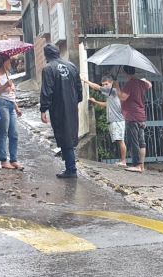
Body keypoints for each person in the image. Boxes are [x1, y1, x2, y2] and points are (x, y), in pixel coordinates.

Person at [40, 43, 83, 179]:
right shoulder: (72, 66)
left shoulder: (48, 69)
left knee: (64, 137)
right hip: (71, 106)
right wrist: (77, 102)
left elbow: (47, 91)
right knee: (69, 135)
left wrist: (43, 109)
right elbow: (79, 87)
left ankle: (71, 169)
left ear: (46, 55)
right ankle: (69, 166)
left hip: (58, 107)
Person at [84, 75, 127, 166]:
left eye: (106, 84)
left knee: (120, 141)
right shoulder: (111, 93)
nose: (104, 86)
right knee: (119, 141)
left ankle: (123, 161)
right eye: (103, 85)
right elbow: (107, 104)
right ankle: (122, 161)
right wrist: (95, 102)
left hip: (117, 120)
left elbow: (97, 87)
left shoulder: (113, 91)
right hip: (115, 120)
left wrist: (85, 80)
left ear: (111, 83)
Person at [117, 66, 151, 173]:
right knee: (142, 142)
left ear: (125, 73)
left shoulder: (130, 84)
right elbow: (149, 85)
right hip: (141, 116)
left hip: (132, 116)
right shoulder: (141, 83)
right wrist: (143, 80)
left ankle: (137, 165)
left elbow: (123, 97)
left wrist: (117, 86)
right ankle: (142, 166)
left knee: (134, 142)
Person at [0, 54, 23, 170]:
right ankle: (3, 160)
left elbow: (11, 94)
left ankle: (14, 159)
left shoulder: (8, 74)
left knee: (14, 134)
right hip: (1, 104)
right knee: (3, 133)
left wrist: (16, 107)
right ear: (3, 62)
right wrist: (5, 85)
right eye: (9, 62)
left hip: (11, 105)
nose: (11, 64)